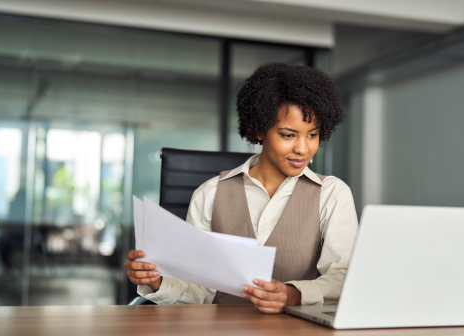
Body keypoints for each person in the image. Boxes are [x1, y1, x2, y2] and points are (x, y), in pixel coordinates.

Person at [124, 62, 359, 313]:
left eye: (312, 135)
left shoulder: (332, 194)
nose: (303, 149)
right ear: (259, 130)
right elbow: (201, 291)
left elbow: (345, 277)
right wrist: (157, 282)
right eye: (288, 135)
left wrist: (292, 294)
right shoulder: (210, 194)